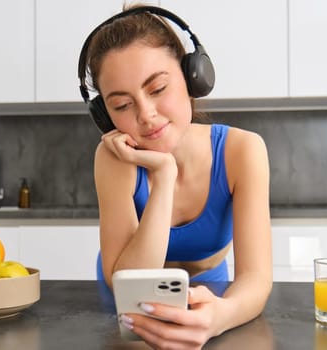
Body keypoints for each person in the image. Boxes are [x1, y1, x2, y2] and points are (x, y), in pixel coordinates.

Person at [80, 4, 272, 349]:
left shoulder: (243, 151)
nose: (147, 115)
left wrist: (220, 316)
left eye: (157, 89)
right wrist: (164, 173)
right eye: (122, 106)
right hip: (127, 300)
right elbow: (130, 281)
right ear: (104, 116)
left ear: (191, 77)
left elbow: (256, 280)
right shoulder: (113, 159)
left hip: (212, 295)